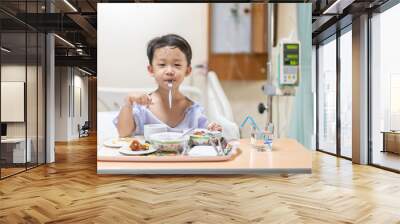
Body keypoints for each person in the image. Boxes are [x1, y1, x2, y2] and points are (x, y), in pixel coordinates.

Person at [115, 34, 222, 137]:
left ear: (188, 70)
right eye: (162, 65)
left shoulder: (193, 111)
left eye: (177, 65)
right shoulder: (142, 107)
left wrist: (212, 130)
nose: (170, 71)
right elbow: (124, 133)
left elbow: (205, 135)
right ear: (151, 70)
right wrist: (128, 102)